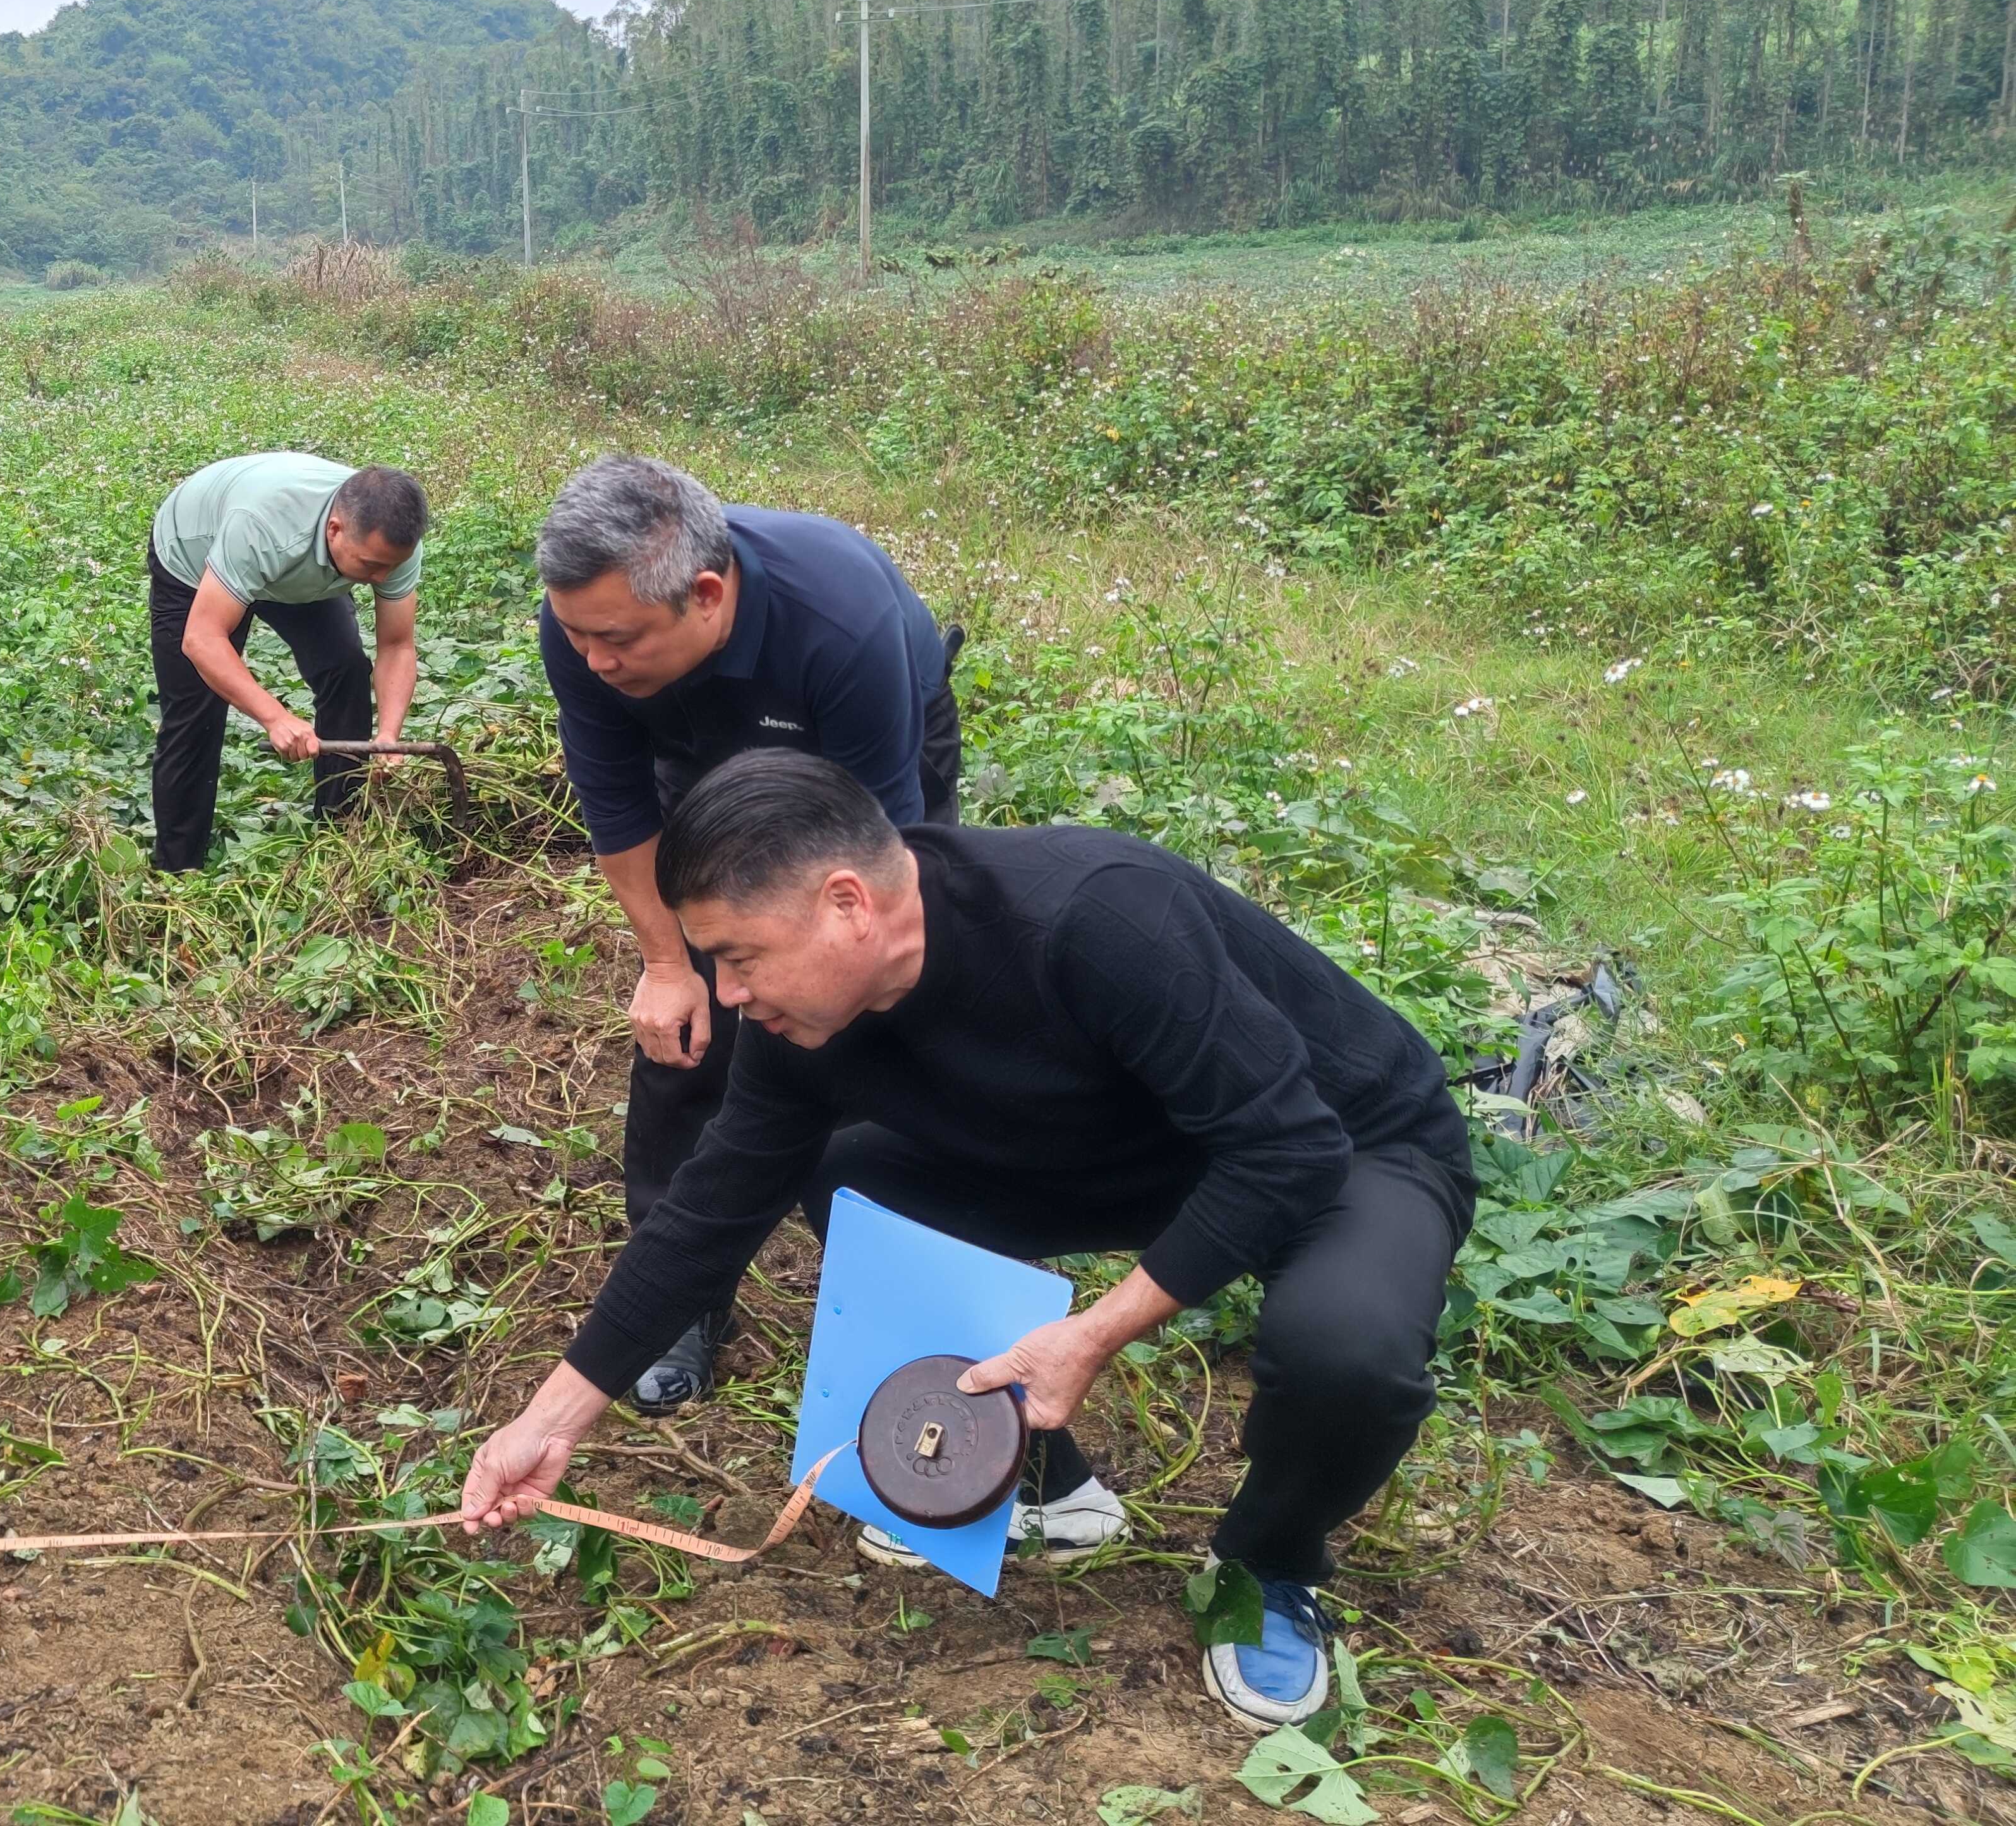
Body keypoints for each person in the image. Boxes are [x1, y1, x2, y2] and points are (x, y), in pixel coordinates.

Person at [452, 749, 1475, 1730]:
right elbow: (710, 1209)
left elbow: (1284, 1150)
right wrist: (553, 1418)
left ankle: (1270, 1564)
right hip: (1112, 1157)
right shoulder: (801, 1027)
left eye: (738, 957)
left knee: (1350, 1343)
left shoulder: (1095, 915)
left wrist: (1095, 1333)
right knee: (852, 1173)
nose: (727, 995)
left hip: (1342, 1141)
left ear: (846, 905)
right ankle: (1042, 1488)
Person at [534, 455, 958, 1410]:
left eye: (615, 640)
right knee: (686, 1025)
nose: (593, 661)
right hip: (698, 748)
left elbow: (876, 861)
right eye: (576, 636)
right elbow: (615, 806)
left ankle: (901, 1294)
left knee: (874, 1003)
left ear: (708, 595)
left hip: (862, 758)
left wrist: (826, 989)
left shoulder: (839, 623)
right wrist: (666, 963)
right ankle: (680, 1297)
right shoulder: (590, 629)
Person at [145, 452, 429, 871]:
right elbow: (203, 640)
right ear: (335, 530)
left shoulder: (390, 544)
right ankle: (177, 870)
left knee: (346, 669)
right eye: (372, 566)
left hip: (297, 571)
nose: (384, 579)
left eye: (392, 566)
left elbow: (398, 646)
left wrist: (389, 734)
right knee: (197, 713)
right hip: (195, 552)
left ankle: (340, 834)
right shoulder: (263, 527)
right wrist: (276, 718)